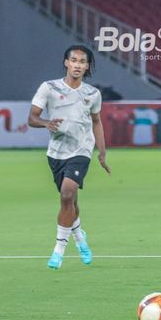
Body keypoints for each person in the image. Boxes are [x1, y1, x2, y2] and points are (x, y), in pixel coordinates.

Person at [28, 44, 111, 270]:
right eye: (73, 60)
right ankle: (80, 237)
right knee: (70, 201)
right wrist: (47, 123)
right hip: (56, 152)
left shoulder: (93, 94)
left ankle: (58, 251)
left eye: (82, 62)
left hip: (82, 149)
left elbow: (96, 121)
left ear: (87, 67)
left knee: (67, 193)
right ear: (66, 62)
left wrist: (101, 152)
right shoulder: (49, 88)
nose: (77, 65)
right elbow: (32, 118)